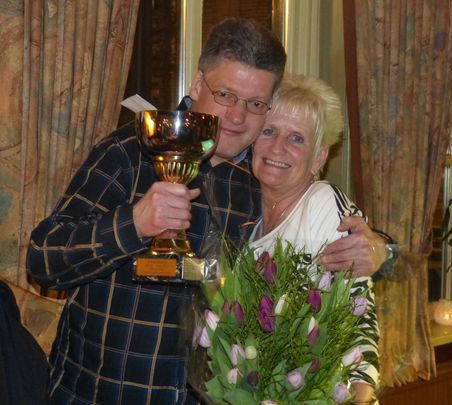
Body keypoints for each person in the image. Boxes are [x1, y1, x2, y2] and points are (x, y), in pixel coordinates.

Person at [27, 18, 385, 404]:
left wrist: (381, 249)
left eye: (255, 104)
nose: (237, 117)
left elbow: (316, 232)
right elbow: (43, 260)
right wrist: (134, 223)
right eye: (225, 94)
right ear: (197, 85)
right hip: (100, 395)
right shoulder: (130, 153)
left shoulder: (257, 178)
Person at [248, 74, 379, 403]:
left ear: (319, 158)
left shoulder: (323, 205)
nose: (277, 147)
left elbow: (358, 314)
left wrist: (360, 395)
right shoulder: (245, 219)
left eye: (296, 138)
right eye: (269, 131)